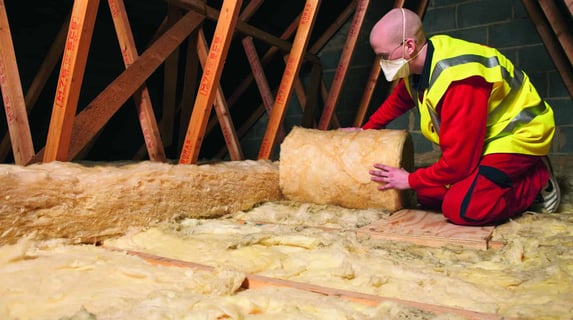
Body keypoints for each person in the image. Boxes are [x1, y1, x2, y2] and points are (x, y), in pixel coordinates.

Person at [363, 8, 560, 226]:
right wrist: (365, 131)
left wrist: (408, 179)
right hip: (482, 139)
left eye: (384, 56)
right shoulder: (421, 60)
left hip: (517, 134)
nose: (382, 64)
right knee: (427, 194)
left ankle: (536, 179)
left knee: (462, 208)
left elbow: (459, 164)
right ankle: (495, 180)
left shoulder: (458, 80)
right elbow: (400, 100)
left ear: (409, 46)